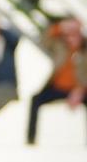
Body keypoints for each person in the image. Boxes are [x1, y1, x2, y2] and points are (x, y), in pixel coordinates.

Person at [26, 17, 87, 145]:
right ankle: (30, 140)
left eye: (75, 34)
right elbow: (44, 40)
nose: (72, 38)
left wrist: (80, 90)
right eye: (69, 35)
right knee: (35, 99)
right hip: (57, 87)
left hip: (79, 89)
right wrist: (60, 27)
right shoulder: (60, 46)